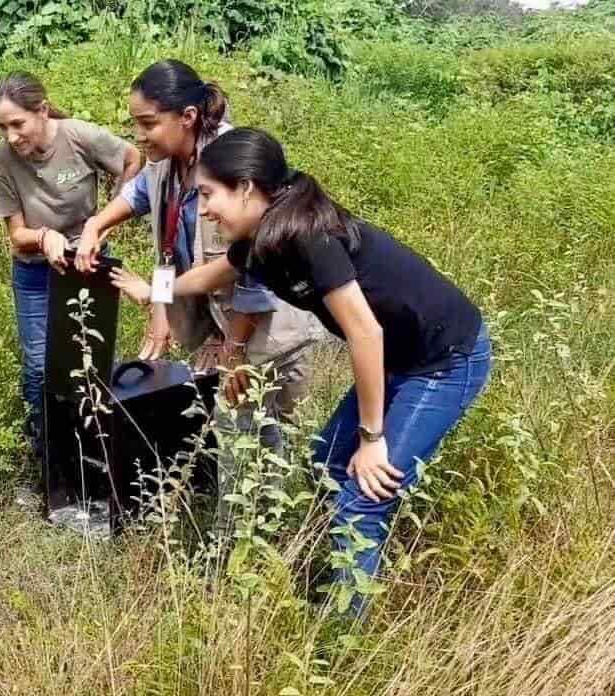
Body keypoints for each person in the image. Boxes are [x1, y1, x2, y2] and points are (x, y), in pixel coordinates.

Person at [111, 127, 492, 616]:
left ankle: (343, 633)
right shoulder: (261, 237)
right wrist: (153, 293)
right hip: (400, 357)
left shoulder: (308, 235)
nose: (204, 209)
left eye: (209, 195)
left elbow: (365, 334)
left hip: (444, 361)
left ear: (246, 188)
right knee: (327, 462)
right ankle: (339, 575)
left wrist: (372, 438)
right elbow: (211, 274)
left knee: (364, 493)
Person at [76, 60, 317, 537]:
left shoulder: (233, 162)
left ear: (187, 116)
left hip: (261, 330)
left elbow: (254, 269)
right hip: (217, 321)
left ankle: (245, 547)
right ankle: (245, 528)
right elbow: (140, 193)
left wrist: (234, 351)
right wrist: (95, 224)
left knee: (256, 437)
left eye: (148, 123)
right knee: (232, 433)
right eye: (135, 124)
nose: (139, 136)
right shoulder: (168, 161)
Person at [0, 71, 142, 469]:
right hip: (35, 272)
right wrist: (43, 238)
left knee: (94, 357)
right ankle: (46, 456)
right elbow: (17, 235)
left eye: (18, 124)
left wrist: (105, 219)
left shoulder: (77, 136)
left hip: (86, 262)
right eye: (1, 127)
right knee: (39, 367)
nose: (11, 136)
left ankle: (101, 452)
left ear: (41, 110)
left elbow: (131, 158)